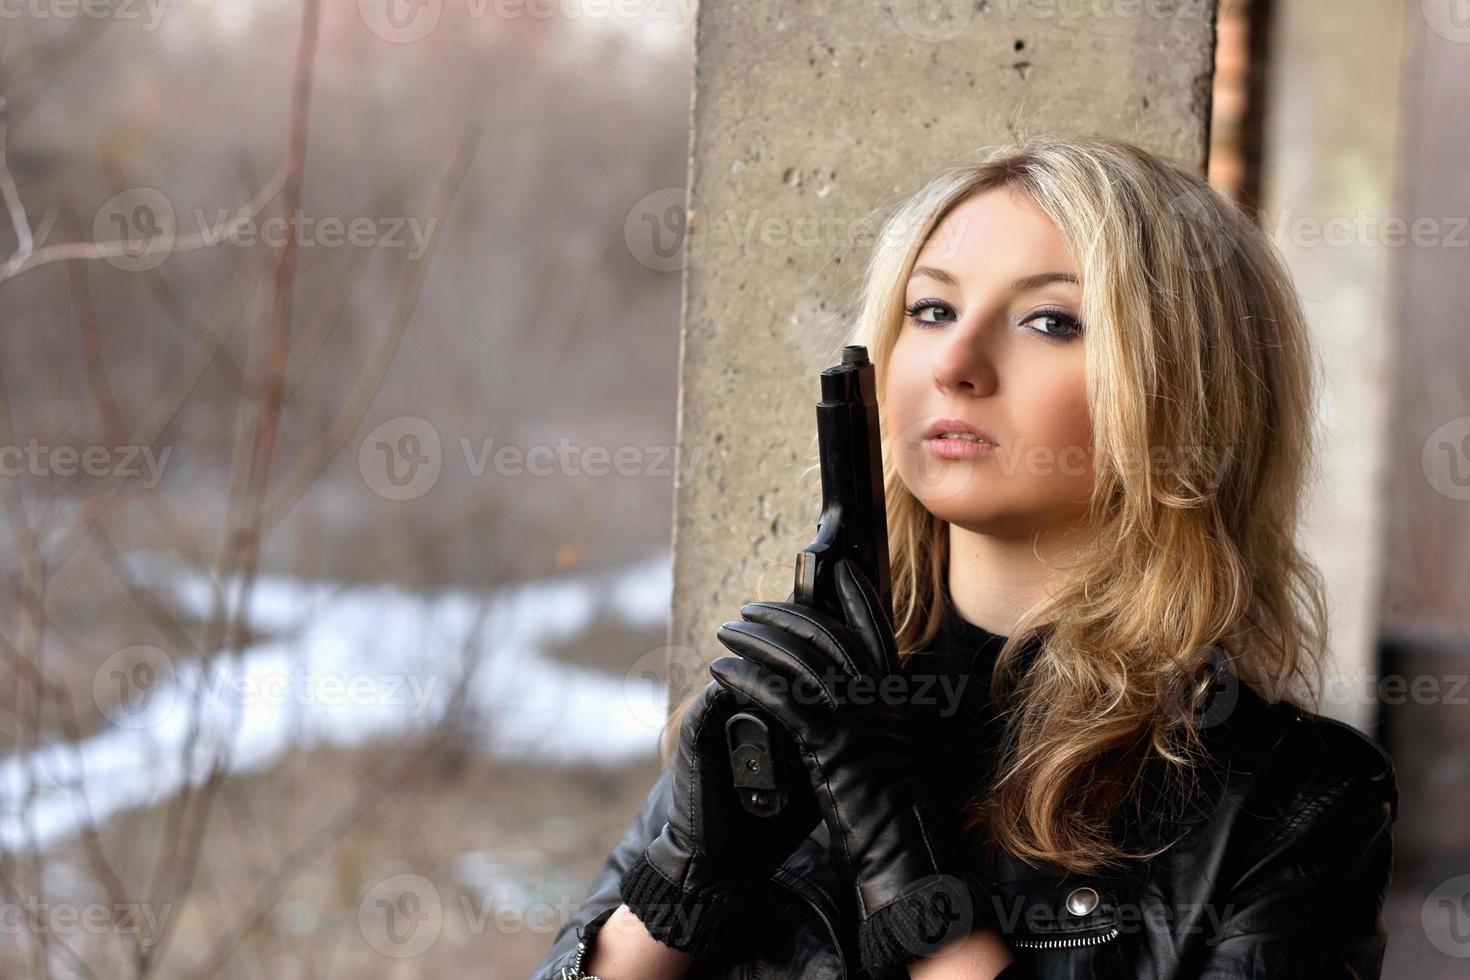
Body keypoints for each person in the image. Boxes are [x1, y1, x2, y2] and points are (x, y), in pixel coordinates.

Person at [530, 135, 1398, 979]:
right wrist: (686, 882)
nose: (955, 363)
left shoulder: (1293, 799)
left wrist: (918, 893)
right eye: (932, 309)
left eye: (1051, 321)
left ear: (1186, 395)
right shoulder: (790, 703)